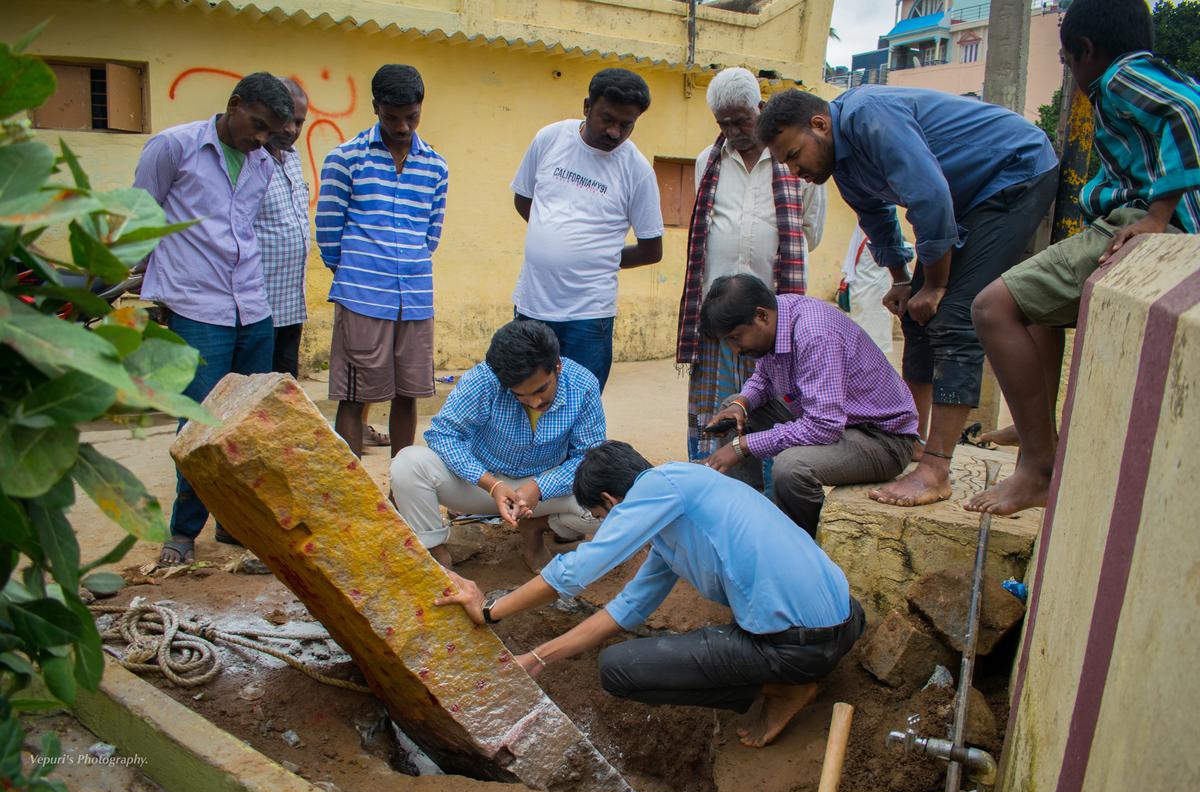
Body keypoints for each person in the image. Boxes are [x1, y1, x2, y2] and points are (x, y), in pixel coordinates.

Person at [435, 441, 865, 749]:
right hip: (847, 622)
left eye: (604, 516)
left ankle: (782, 688)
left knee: (619, 670)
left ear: (611, 499)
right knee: (626, 650)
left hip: (798, 646)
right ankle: (790, 671)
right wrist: (539, 657)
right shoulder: (681, 508)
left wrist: (490, 612)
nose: (608, 524)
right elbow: (626, 609)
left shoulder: (662, 483)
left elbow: (579, 568)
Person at [755, 86, 1058, 507]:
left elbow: (929, 195)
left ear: (820, 125)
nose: (794, 171)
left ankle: (936, 469)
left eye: (792, 154)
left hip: (1013, 171)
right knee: (916, 317)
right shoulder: (842, 166)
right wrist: (902, 281)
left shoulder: (867, 116)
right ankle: (913, 440)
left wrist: (934, 285)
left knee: (955, 316)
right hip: (965, 198)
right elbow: (877, 218)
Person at [967, 0, 1200, 515]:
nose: (1070, 72)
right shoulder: (1139, 77)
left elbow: (1187, 110)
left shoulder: (1121, 79)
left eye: (1068, 61)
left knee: (991, 307)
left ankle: (1038, 467)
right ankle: (1037, 434)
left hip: (1142, 218)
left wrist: (1158, 214)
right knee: (1039, 305)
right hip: (1131, 215)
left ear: (1086, 51)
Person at [134, 72, 294, 566]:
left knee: (249, 425)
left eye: (270, 132)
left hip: (253, 305)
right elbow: (140, 220)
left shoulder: (262, 163)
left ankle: (233, 523)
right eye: (258, 125)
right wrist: (146, 291)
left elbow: (242, 230)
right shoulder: (173, 147)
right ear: (235, 104)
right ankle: (183, 532)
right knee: (199, 424)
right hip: (196, 308)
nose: (261, 139)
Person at [678, 67, 827, 466]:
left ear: (758, 109)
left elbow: (809, 233)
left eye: (741, 120)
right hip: (721, 316)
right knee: (716, 406)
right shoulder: (706, 162)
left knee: (770, 405)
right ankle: (710, 476)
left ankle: (766, 484)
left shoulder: (796, 161)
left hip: (771, 319)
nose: (733, 131)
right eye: (723, 123)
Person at [701, 275, 919, 534]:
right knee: (734, 413)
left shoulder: (814, 334)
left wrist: (742, 447)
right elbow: (765, 377)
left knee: (792, 468)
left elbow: (823, 426)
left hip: (881, 439)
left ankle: (805, 544)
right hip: (836, 419)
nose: (735, 350)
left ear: (761, 316)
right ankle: (749, 521)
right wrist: (741, 403)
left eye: (736, 338)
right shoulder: (778, 314)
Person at [390, 320, 604, 570]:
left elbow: (588, 456)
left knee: (609, 497)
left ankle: (533, 528)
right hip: (480, 486)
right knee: (407, 464)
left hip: (543, 492)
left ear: (557, 366)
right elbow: (443, 435)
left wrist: (539, 487)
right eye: (520, 395)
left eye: (541, 389)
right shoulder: (484, 379)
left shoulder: (583, 384)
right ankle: (438, 555)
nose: (534, 402)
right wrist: (492, 485)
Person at [316, 64, 449, 458]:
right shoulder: (345, 158)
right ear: (375, 107)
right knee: (355, 396)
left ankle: (400, 490)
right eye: (393, 117)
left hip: (416, 297)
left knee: (409, 394)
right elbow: (328, 231)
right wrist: (357, 273)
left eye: (412, 117)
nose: (404, 126)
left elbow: (431, 234)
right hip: (361, 296)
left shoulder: (436, 166)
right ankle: (350, 496)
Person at [511, 68, 664, 391]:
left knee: (578, 407)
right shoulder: (550, 139)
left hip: (588, 315)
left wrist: (594, 258)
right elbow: (525, 200)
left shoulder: (637, 171)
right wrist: (554, 239)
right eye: (606, 119)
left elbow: (652, 249)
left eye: (626, 125)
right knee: (524, 399)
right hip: (532, 305)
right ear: (586, 107)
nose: (614, 132)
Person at [255, 78, 311, 379]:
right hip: (257, 309)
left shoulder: (292, 158)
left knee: (285, 393)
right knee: (254, 396)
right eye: (286, 119)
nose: (291, 129)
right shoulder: (249, 159)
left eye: (299, 122)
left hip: (290, 305)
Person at [840, 226, 908, 354]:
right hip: (874, 293)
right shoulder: (880, 235)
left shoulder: (862, 236)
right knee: (873, 342)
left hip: (865, 293)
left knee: (866, 339)